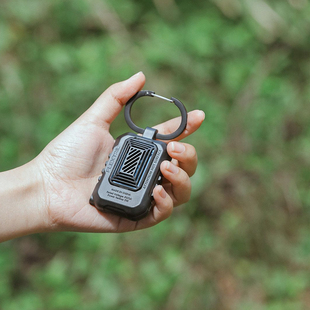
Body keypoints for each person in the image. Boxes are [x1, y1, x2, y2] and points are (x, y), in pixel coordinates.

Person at [0, 72, 205, 243]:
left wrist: (45, 192)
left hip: (122, 198)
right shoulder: (131, 142)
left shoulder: (130, 141)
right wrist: (45, 189)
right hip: (117, 198)